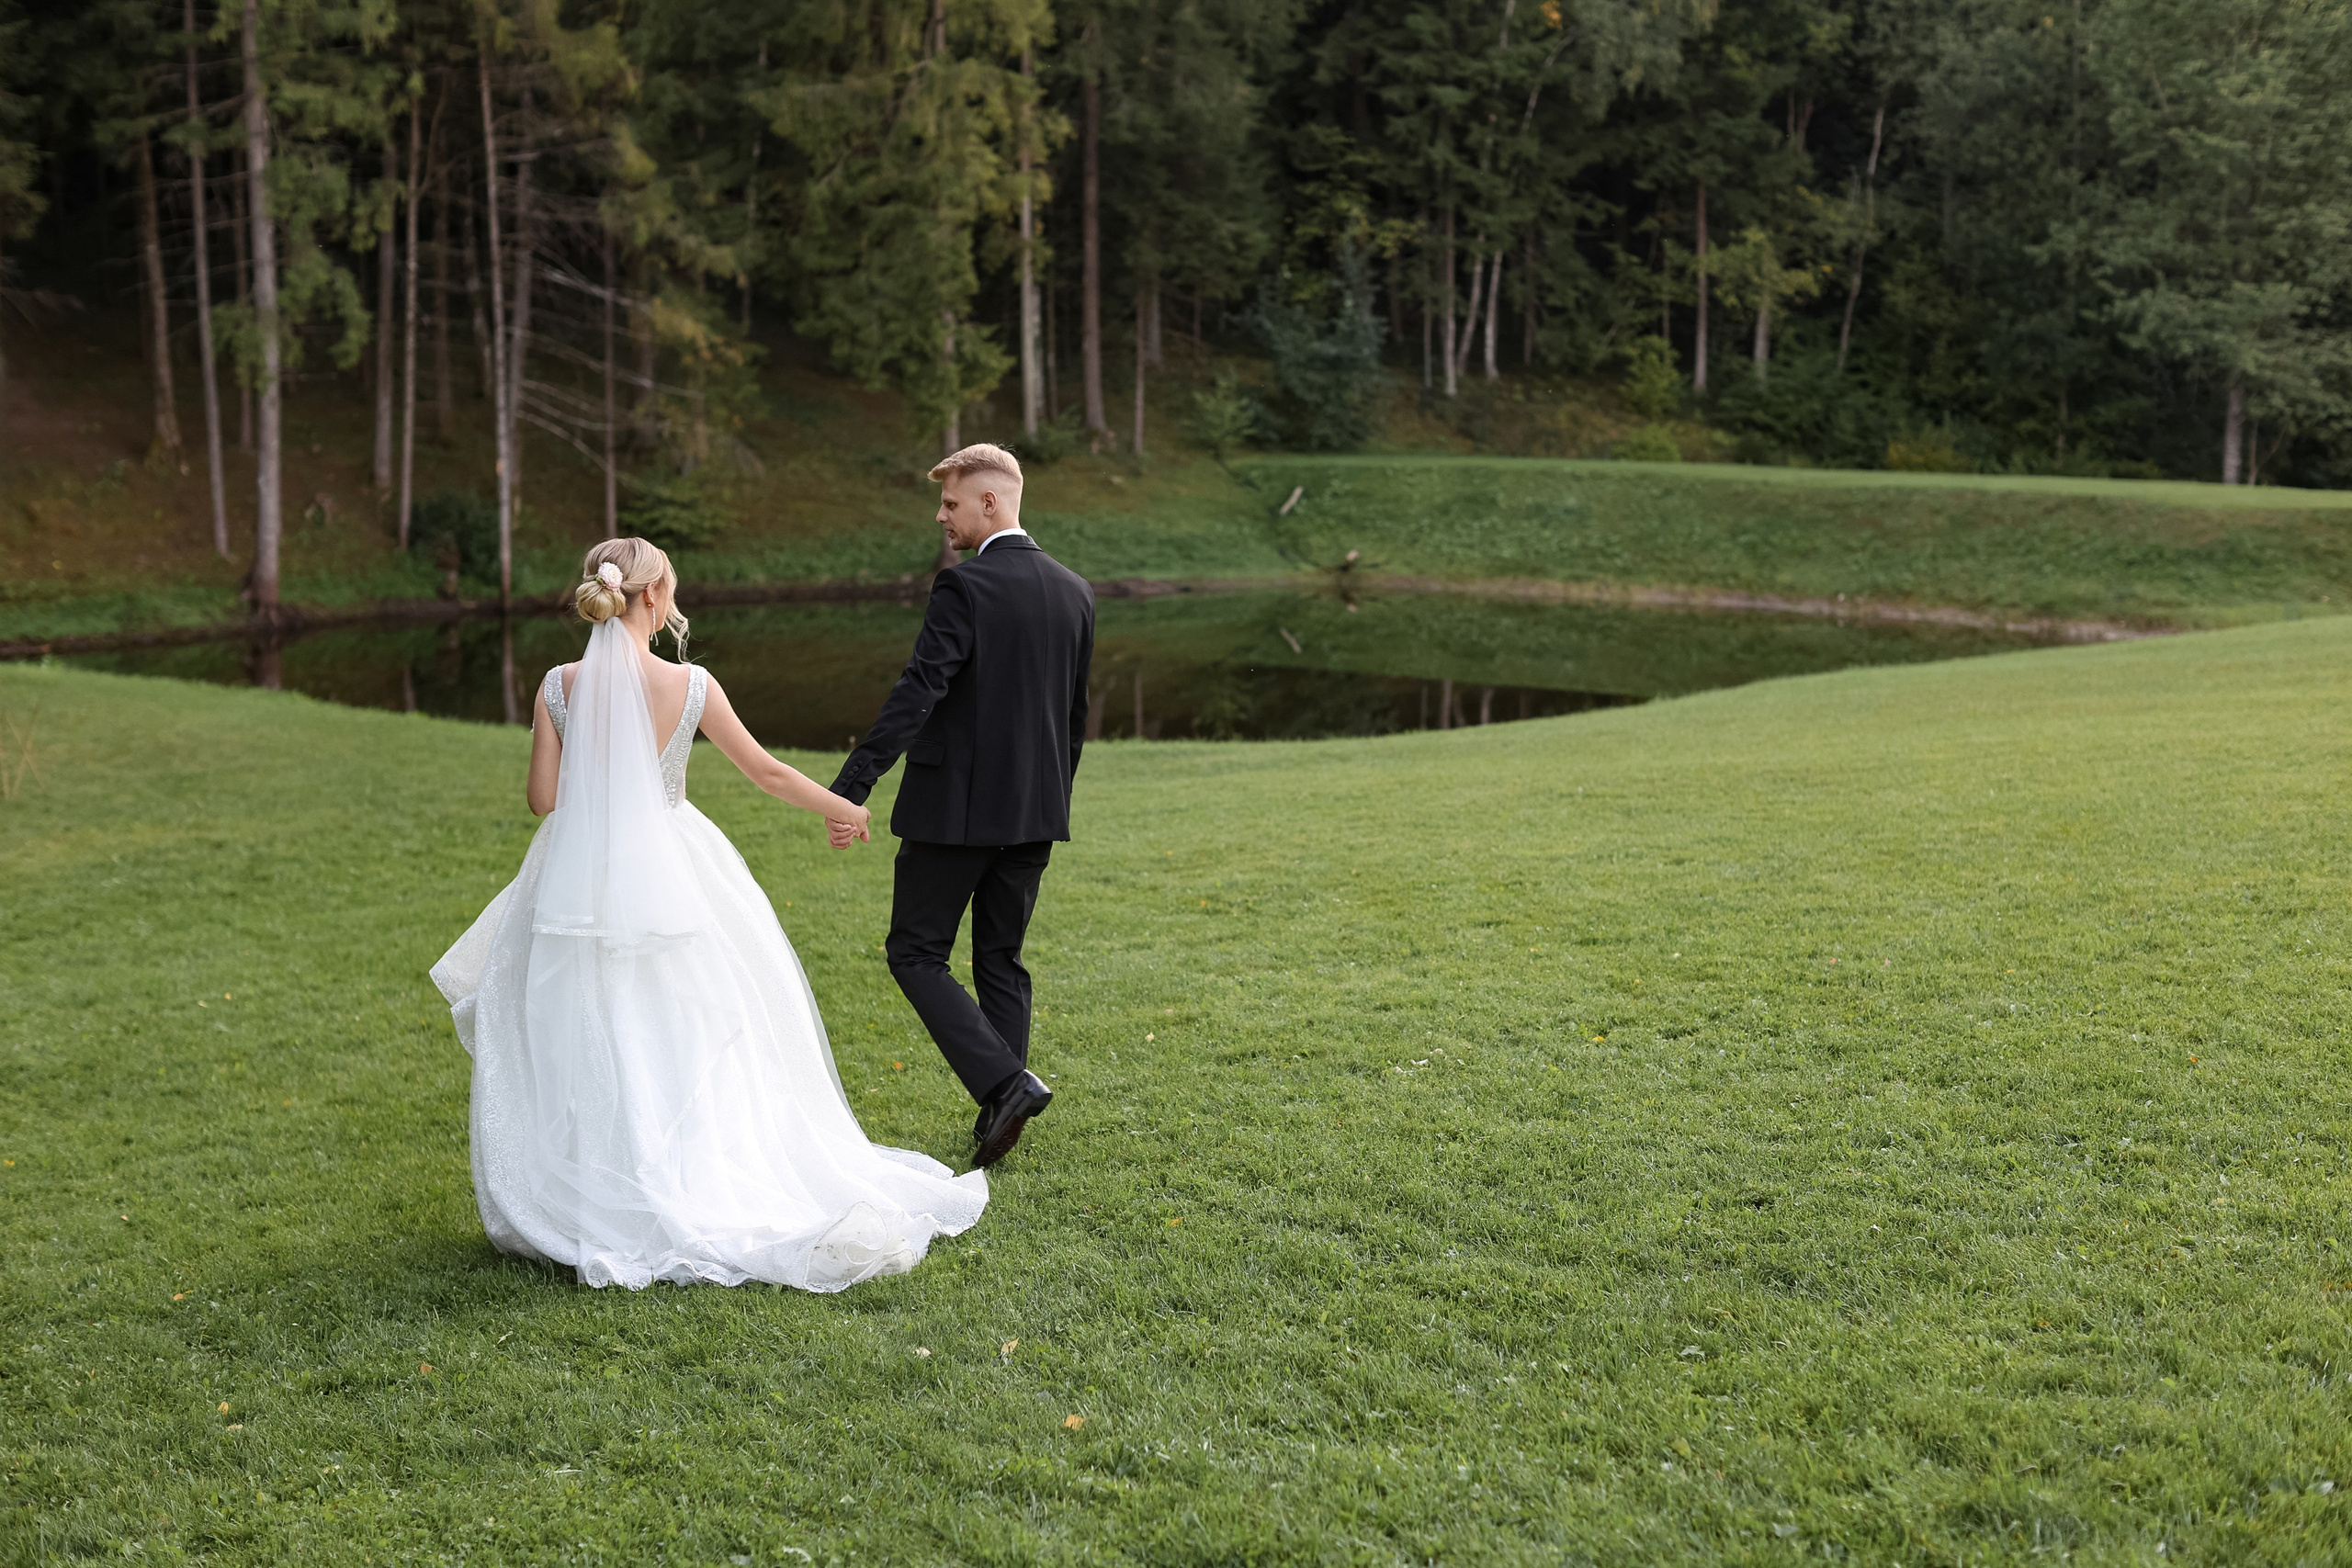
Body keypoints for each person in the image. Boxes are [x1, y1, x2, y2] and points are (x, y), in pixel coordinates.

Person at [431, 537, 988, 1291]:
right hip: (674, 864)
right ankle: (687, 1166)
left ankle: (602, 1185)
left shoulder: (557, 686)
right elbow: (764, 769)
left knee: (592, 1020)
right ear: (655, 598)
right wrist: (842, 807)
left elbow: (543, 800)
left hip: (572, 873)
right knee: (680, 1019)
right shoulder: (688, 684)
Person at [831, 444, 1095, 1168]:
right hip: (1036, 811)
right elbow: (1075, 721)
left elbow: (920, 690)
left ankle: (1008, 1083)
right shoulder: (1076, 590)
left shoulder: (964, 589)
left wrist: (853, 783)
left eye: (950, 502)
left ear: (991, 502)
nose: (940, 515)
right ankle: (1001, 1115)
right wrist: (1052, 798)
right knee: (1001, 958)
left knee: (914, 953)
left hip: (955, 812)